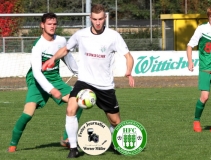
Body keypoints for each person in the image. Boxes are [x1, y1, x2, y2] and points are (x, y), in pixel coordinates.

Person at [42, 4, 135, 158]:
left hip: (105, 85)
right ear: (90, 18)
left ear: (105, 18)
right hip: (85, 81)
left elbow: (128, 56)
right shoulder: (81, 35)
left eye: (100, 19)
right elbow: (65, 49)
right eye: (95, 19)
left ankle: (114, 142)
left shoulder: (113, 36)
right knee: (70, 109)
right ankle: (73, 148)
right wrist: (52, 59)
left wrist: (129, 72)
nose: (98, 22)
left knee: (115, 122)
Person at [8, 13, 83, 152]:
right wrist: (51, 90)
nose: (52, 26)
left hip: (55, 79)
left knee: (78, 101)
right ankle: (12, 145)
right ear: (42, 25)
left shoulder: (61, 41)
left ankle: (67, 138)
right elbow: (37, 72)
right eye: (49, 24)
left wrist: (81, 75)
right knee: (28, 114)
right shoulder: (38, 45)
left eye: (54, 24)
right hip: (36, 81)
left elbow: (69, 59)